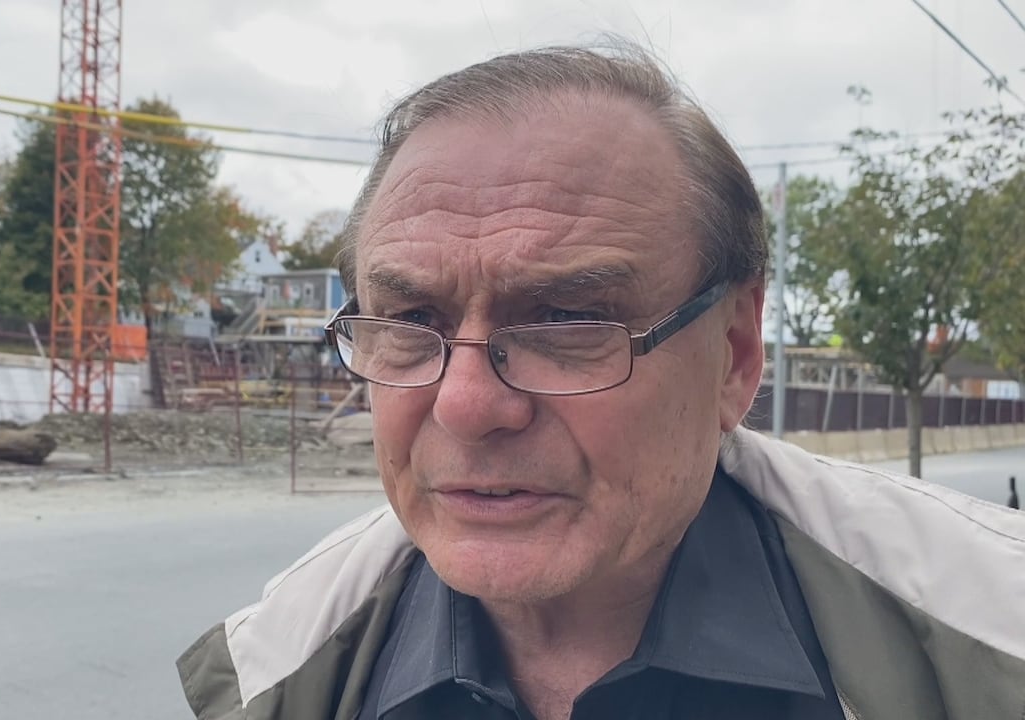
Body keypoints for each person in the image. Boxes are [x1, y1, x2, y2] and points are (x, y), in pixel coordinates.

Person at [179, 38, 1025, 720]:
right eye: (409, 322)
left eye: (564, 322)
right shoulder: (282, 675)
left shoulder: (992, 648)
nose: (466, 405)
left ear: (734, 353)